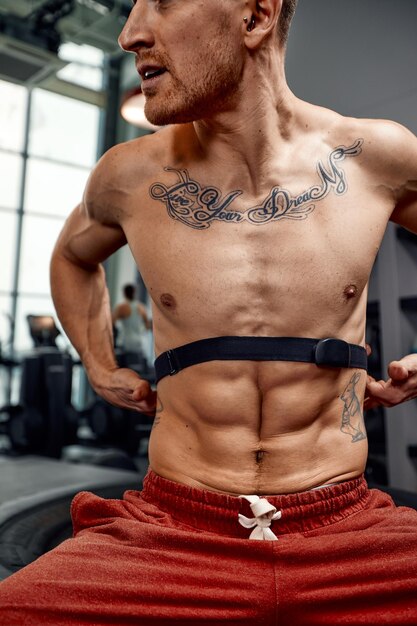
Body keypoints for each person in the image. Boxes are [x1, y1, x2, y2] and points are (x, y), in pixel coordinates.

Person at [1, 0, 417, 623]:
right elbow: (71, 258)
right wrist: (98, 363)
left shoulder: (376, 156)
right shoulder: (128, 176)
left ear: (254, 18)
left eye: (163, 4)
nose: (129, 33)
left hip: (345, 529)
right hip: (176, 529)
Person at [112, 283, 151, 362]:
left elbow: (111, 324)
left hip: (126, 343)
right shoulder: (142, 307)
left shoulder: (121, 307)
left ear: (124, 293)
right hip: (139, 343)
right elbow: (147, 327)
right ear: (134, 293)